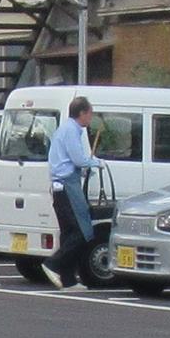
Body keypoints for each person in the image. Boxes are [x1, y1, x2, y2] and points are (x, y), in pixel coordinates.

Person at [47, 93, 108, 288]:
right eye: (90, 114)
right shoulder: (72, 131)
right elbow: (78, 159)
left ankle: (68, 280)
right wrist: (97, 163)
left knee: (68, 232)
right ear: (82, 113)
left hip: (59, 185)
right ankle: (53, 263)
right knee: (83, 231)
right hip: (67, 185)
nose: (90, 118)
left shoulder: (63, 129)